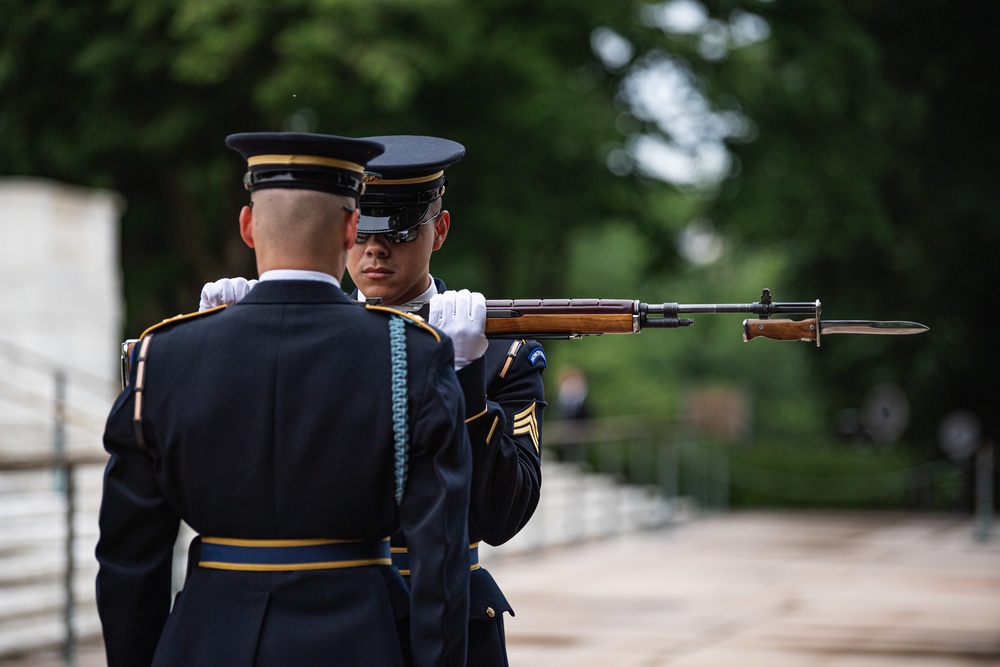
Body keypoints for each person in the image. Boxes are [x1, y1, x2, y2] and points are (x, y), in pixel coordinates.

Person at [96, 132, 473, 667]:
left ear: (248, 228)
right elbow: (440, 557)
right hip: (359, 640)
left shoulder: (163, 355)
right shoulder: (408, 352)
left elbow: (128, 559)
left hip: (207, 640)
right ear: (350, 228)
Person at [201, 134, 548, 667]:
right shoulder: (307, 340)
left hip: (450, 626)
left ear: (441, 230)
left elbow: (500, 517)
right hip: (330, 620)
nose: (375, 249)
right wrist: (237, 349)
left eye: (400, 231)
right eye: (361, 230)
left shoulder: (499, 352)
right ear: (343, 229)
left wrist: (464, 379)